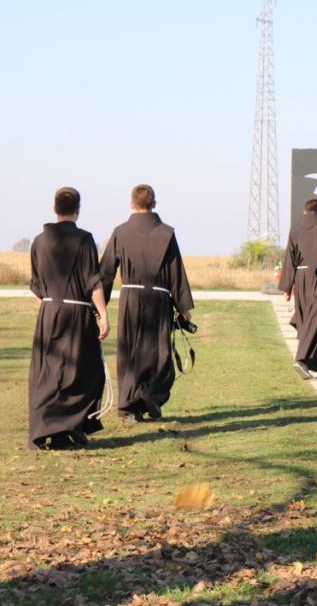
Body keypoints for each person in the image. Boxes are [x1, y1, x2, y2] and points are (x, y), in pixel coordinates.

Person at [100, 184, 194, 423]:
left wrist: (98, 306)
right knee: (158, 352)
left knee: (130, 351)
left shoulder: (121, 232)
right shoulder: (166, 233)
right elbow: (176, 272)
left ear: (131, 203)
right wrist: (184, 307)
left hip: (131, 300)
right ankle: (150, 395)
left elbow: (106, 271)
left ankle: (131, 405)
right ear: (154, 203)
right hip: (159, 301)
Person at [28, 187, 110, 450]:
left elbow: (36, 285)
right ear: (78, 210)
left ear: (54, 208)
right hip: (76, 314)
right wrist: (103, 315)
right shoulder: (84, 239)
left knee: (49, 373)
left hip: (49, 313)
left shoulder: (39, 241)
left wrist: (48, 310)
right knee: (83, 370)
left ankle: (53, 429)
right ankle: (69, 426)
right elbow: (93, 281)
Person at [280, 198, 317, 378]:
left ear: (305, 211)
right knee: (316, 317)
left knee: (305, 319)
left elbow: (290, 258)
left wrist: (287, 287)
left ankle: (314, 362)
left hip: (300, 276)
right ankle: (301, 359)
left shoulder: (295, 229)